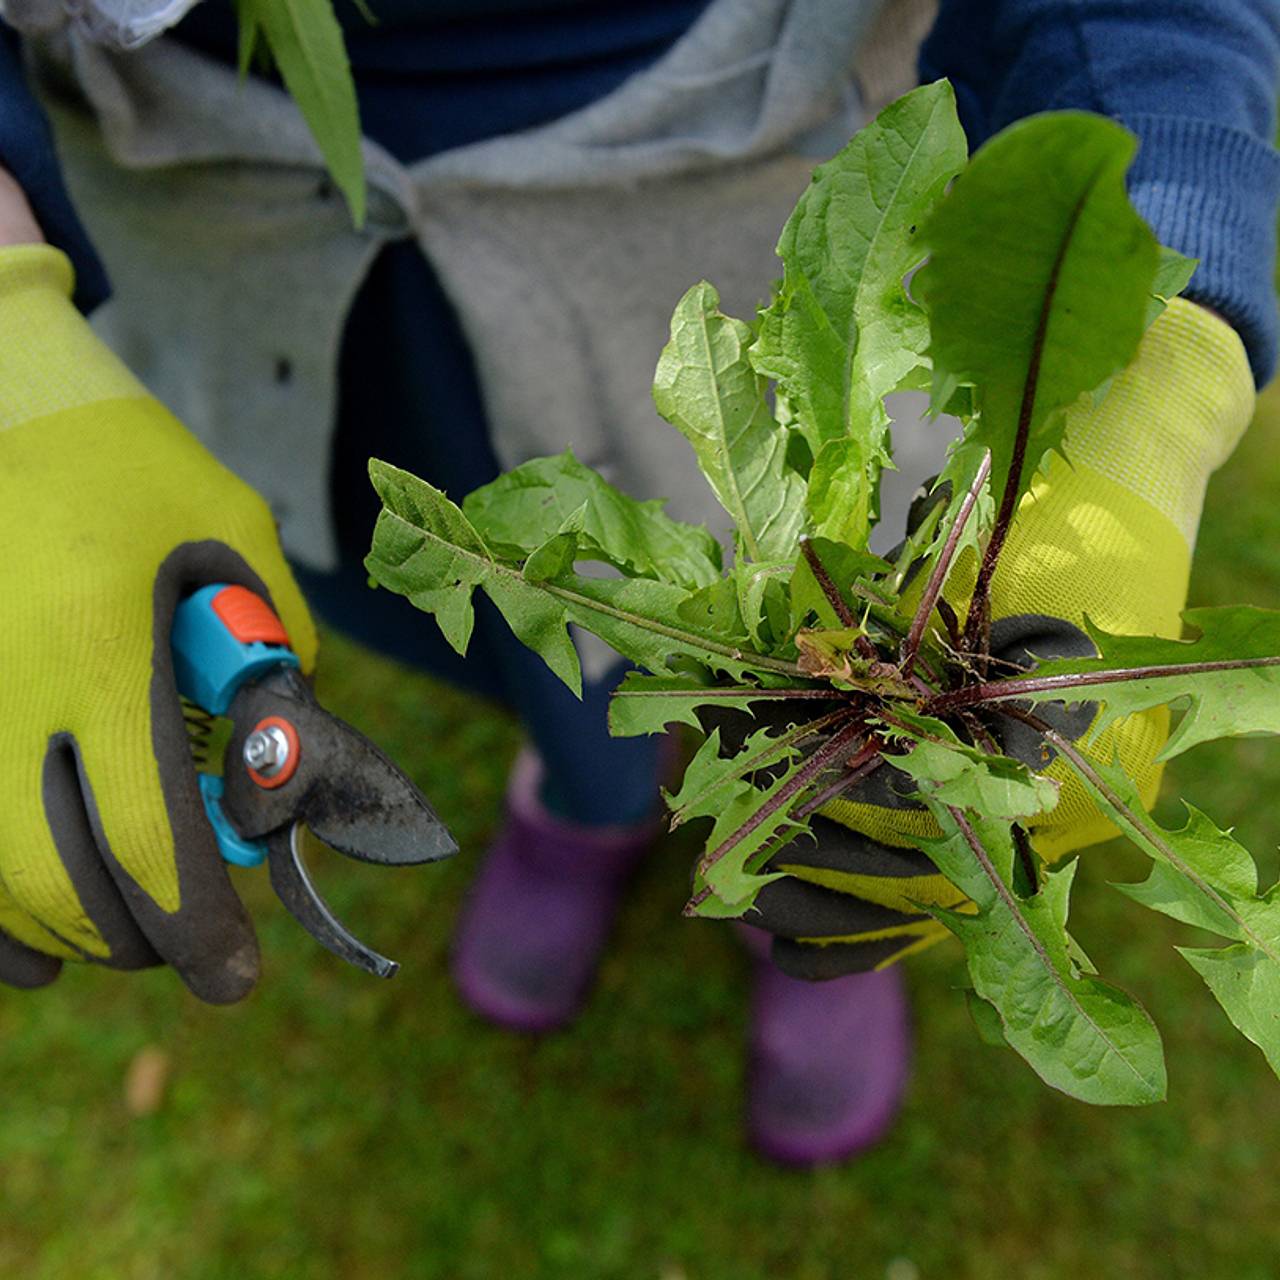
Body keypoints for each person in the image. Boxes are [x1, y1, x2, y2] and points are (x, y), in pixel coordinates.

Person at [0, 0, 1275, 1165]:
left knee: (806, 648)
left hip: (732, 189)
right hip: (238, 239)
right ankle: (582, 797)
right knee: (501, 618)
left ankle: (807, 873)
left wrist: (1145, 398)